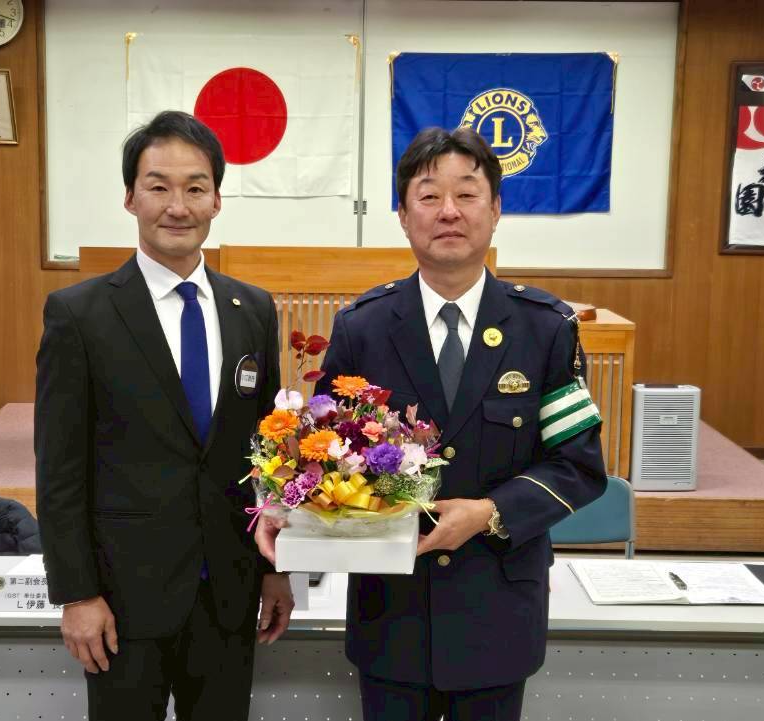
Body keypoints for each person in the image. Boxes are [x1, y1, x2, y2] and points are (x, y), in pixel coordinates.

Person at [257, 126, 606, 720]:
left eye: (467, 194)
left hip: (498, 610)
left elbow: (578, 466)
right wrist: (282, 505)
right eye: (428, 196)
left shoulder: (545, 328)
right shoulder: (363, 328)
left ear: (496, 210)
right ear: (402, 215)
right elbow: (319, 458)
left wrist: (491, 512)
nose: (449, 211)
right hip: (392, 615)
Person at [36, 110, 293, 721]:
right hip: (122, 599)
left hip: (229, 592)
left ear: (217, 200)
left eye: (195, 188)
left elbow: (270, 459)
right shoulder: (80, 314)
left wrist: (277, 570)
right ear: (130, 198)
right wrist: (77, 593)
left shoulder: (253, 310)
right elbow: (60, 469)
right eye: (158, 187)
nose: (178, 206)